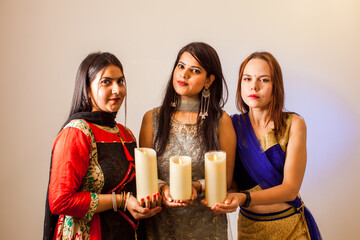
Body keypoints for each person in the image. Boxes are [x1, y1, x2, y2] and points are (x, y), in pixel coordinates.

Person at [43, 52, 162, 240]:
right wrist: (121, 201)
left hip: (124, 232)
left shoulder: (126, 134)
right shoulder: (76, 133)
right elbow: (60, 201)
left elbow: (133, 188)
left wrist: (147, 201)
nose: (117, 90)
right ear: (87, 89)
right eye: (106, 82)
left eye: (120, 81)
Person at [211, 52, 322, 239]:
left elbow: (290, 189)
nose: (254, 86)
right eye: (247, 79)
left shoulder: (293, 124)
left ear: (275, 86)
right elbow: (232, 183)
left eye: (263, 80)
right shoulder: (231, 125)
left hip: (291, 227)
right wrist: (228, 197)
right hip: (249, 229)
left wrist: (243, 198)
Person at [139, 42, 236, 240]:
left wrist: (196, 186)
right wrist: (163, 189)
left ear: (209, 80)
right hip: (160, 224)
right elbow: (144, 176)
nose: (184, 75)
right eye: (180, 66)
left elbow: (226, 180)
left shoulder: (220, 121)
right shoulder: (152, 118)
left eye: (195, 70)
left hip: (206, 225)